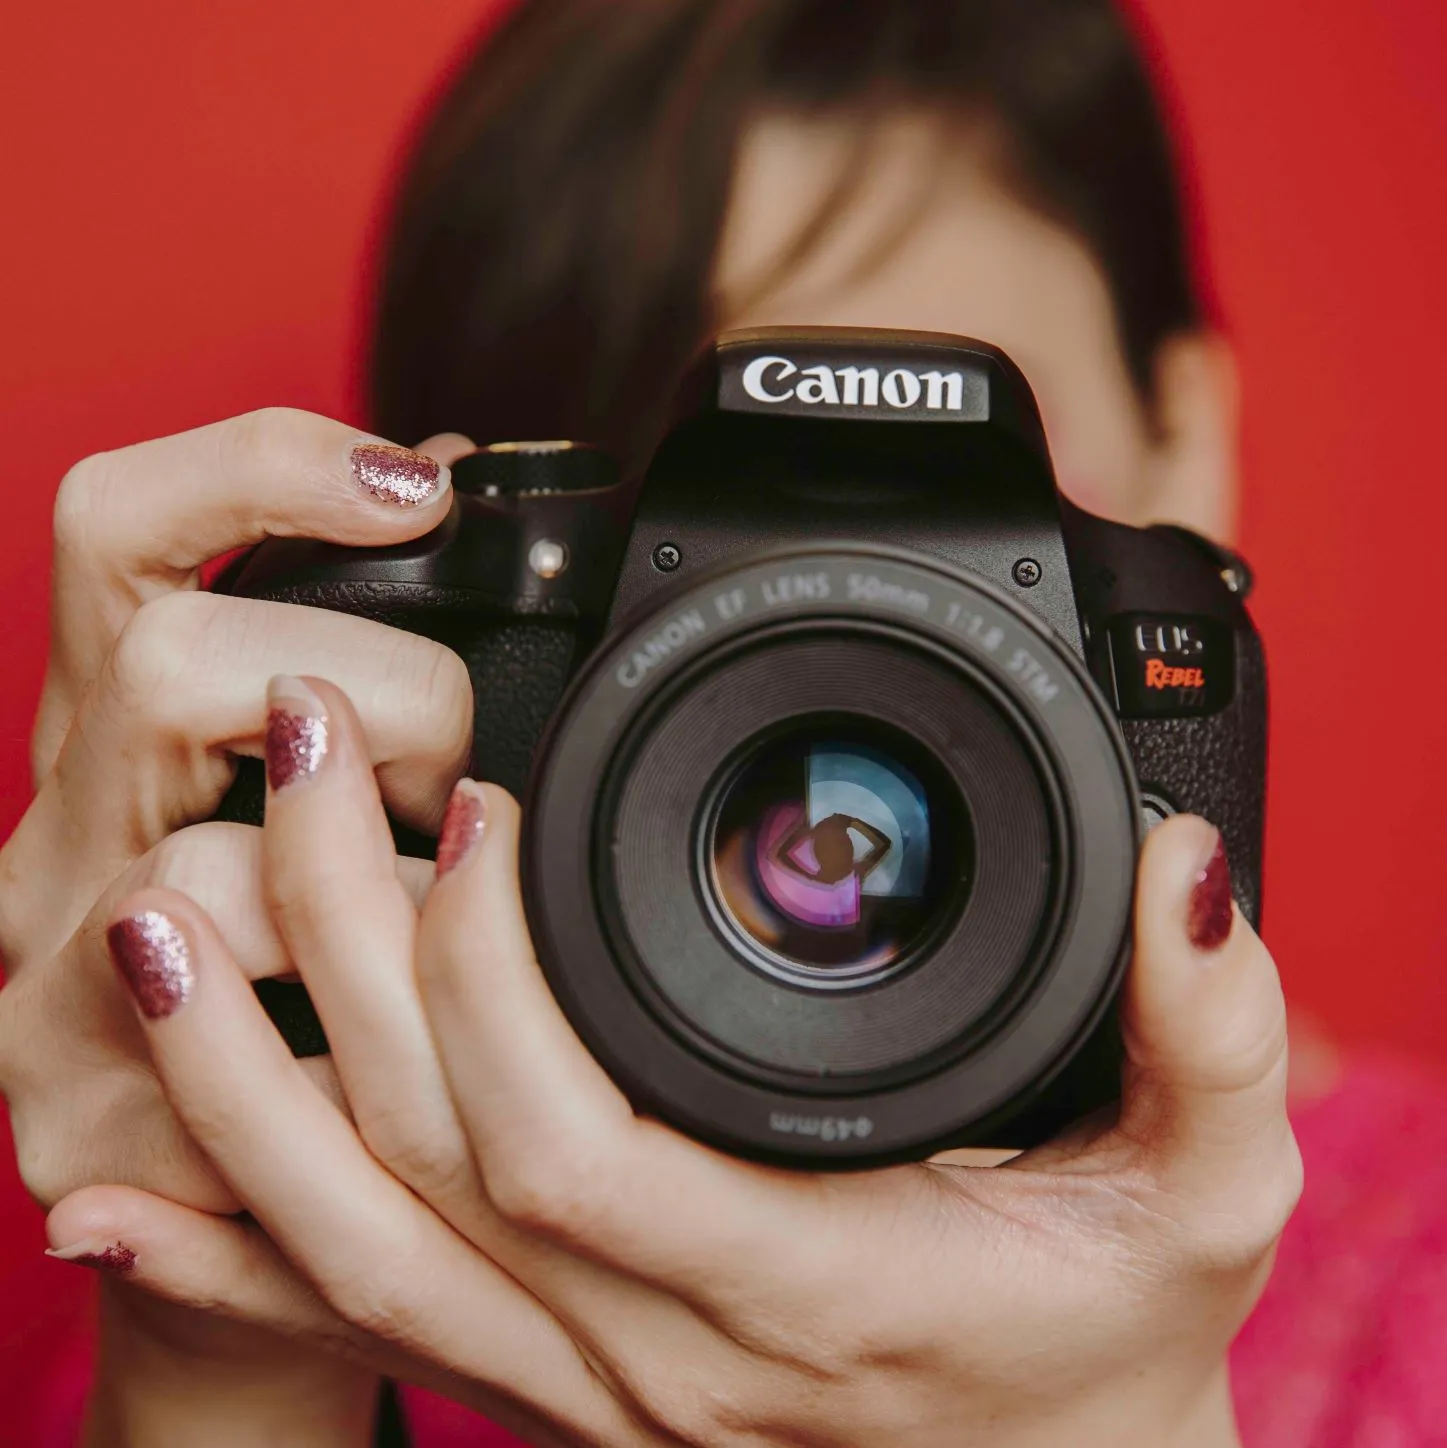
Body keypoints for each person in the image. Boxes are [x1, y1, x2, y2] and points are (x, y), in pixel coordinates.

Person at [1, 1, 1443, 1444]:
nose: (803, 628)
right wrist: (237, 1308)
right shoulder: (342, 1247)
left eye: (926, 494)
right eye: (664, 508)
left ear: (1183, 441)